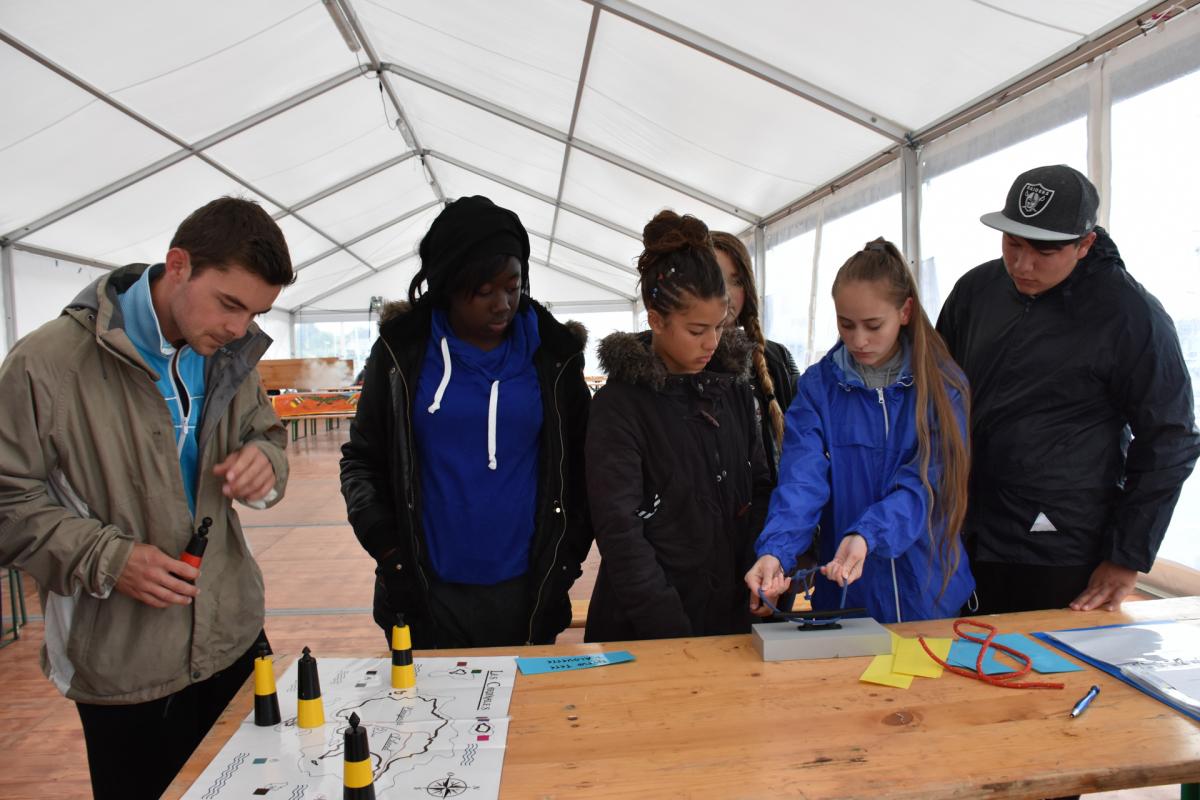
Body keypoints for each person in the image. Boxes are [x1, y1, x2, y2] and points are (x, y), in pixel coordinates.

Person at [0, 197, 294, 800]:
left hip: (233, 635)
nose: (240, 328)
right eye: (230, 304)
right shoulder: (45, 364)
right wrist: (111, 559)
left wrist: (265, 463)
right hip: (123, 662)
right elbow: (7, 500)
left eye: (256, 312)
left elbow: (266, 435)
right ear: (178, 265)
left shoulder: (229, 356)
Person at [936, 164, 1200, 614]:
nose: (1023, 265)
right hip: (964, 531)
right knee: (960, 652)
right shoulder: (976, 290)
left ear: (1085, 244)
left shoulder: (1131, 315)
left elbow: (1170, 438)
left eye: (1045, 251)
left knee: (1046, 657)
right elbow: (936, 391)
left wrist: (1126, 555)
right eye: (1013, 243)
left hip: (1060, 549)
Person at [340, 195, 592, 649]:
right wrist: (390, 551)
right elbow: (362, 461)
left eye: (513, 286)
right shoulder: (402, 353)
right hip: (424, 592)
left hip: (529, 592)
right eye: (484, 290)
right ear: (448, 284)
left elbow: (582, 466)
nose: (503, 304)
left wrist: (566, 559)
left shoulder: (554, 355)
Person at [745, 238, 973, 624]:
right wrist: (776, 552)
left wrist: (869, 533)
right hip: (846, 596)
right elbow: (801, 480)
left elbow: (927, 485)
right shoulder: (818, 388)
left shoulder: (942, 386)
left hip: (929, 593)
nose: (858, 340)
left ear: (905, 312)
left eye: (873, 325)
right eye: (845, 324)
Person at [584, 210, 772, 642]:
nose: (712, 342)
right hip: (645, 632)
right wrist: (668, 628)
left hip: (732, 621)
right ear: (655, 320)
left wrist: (762, 562)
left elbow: (760, 487)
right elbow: (620, 531)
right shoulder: (618, 407)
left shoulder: (734, 391)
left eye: (719, 327)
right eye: (696, 330)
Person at [710, 232, 800, 483]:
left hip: (773, 503)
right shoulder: (677, 361)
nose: (727, 294)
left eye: (737, 281)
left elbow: (803, 442)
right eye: (715, 279)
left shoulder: (776, 358)